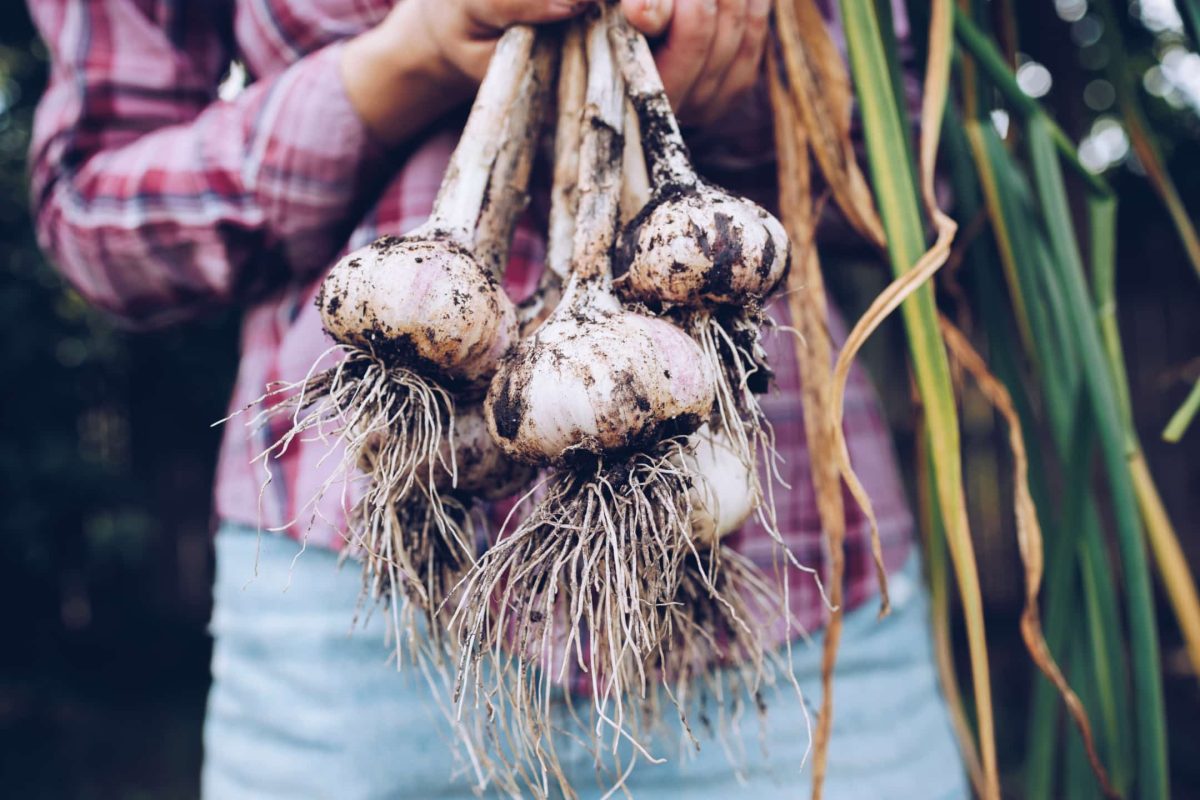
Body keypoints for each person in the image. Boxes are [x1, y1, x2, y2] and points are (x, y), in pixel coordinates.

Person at [28, 0, 967, 797]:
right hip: (352, 594)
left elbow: (931, 183)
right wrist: (409, 59)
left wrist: (758, 83)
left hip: (787, 595)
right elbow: (95, 214)